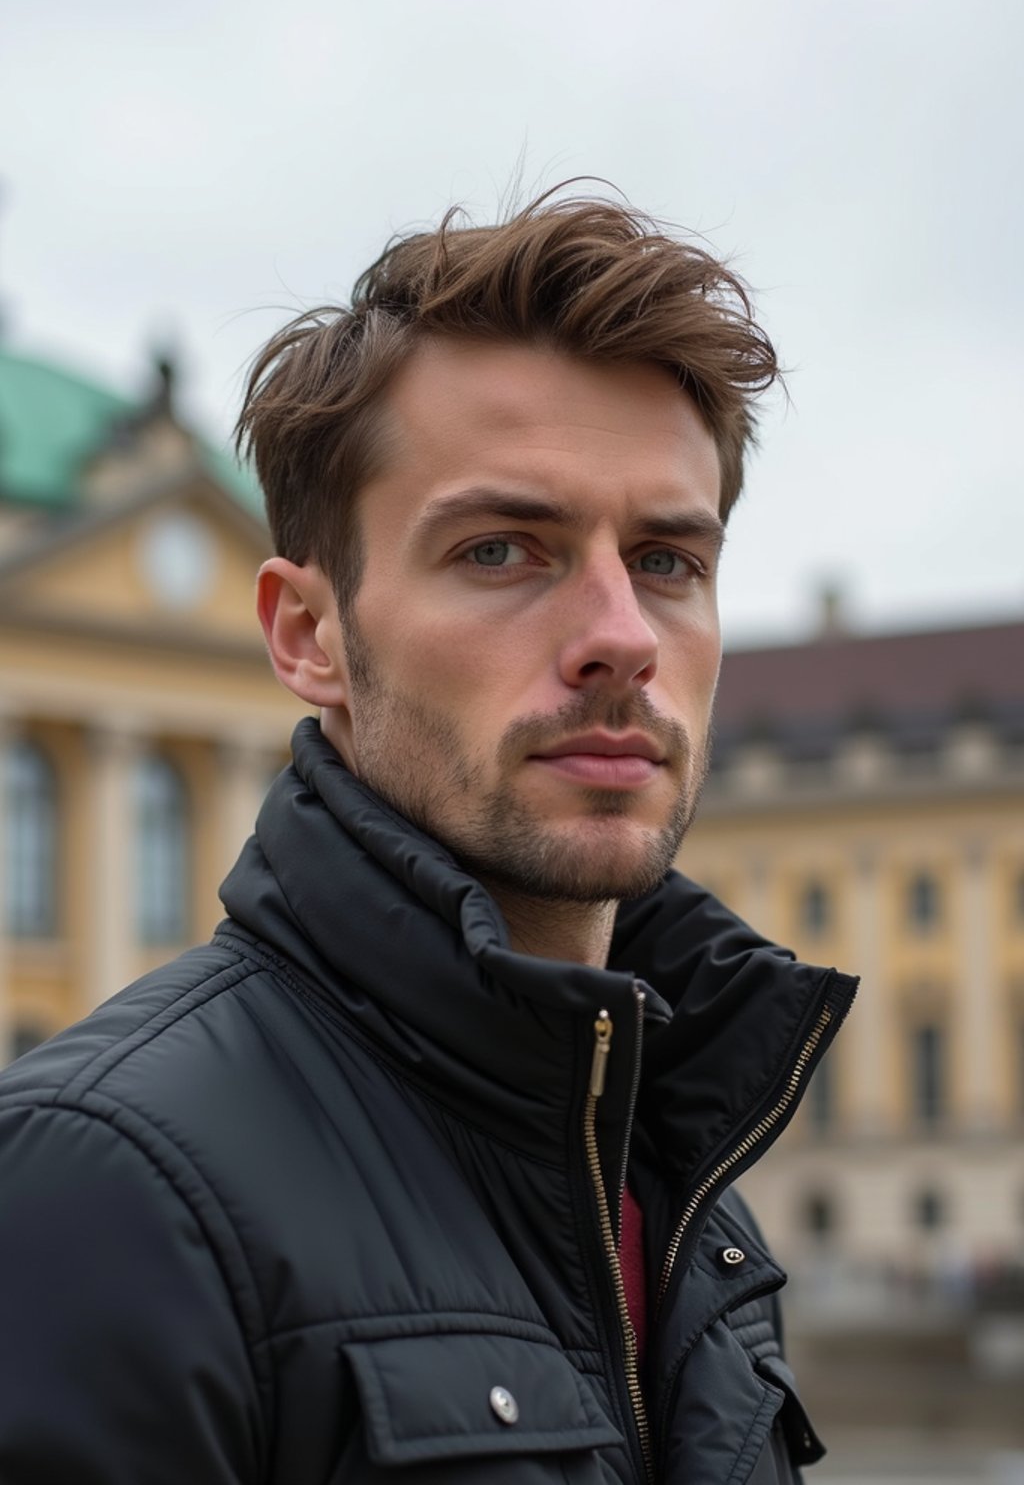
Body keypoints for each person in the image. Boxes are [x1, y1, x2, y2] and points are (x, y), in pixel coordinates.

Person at [0, 190, 857, 1483]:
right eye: (504, 548)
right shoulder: (99, 1191)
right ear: (307, 636)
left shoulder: (686, 1191)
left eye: (670, 559)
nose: (622, 633)